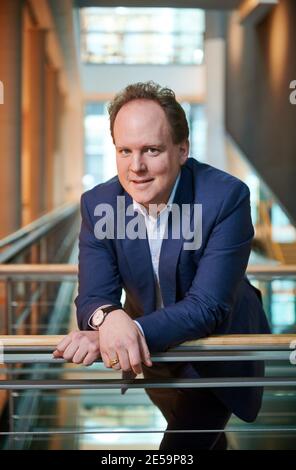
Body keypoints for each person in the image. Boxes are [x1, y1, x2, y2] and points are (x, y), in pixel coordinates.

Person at [53, 81, 270, 450]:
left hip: (216, 352)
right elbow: (93, 297)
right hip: (155, 357)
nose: (136, 167)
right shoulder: (98, 203)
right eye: (125, 151)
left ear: (182, 149)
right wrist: (110, 320)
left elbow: (208, 307)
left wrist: (125, 330)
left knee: (179, 450)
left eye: (151, 150)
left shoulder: (226, 198)